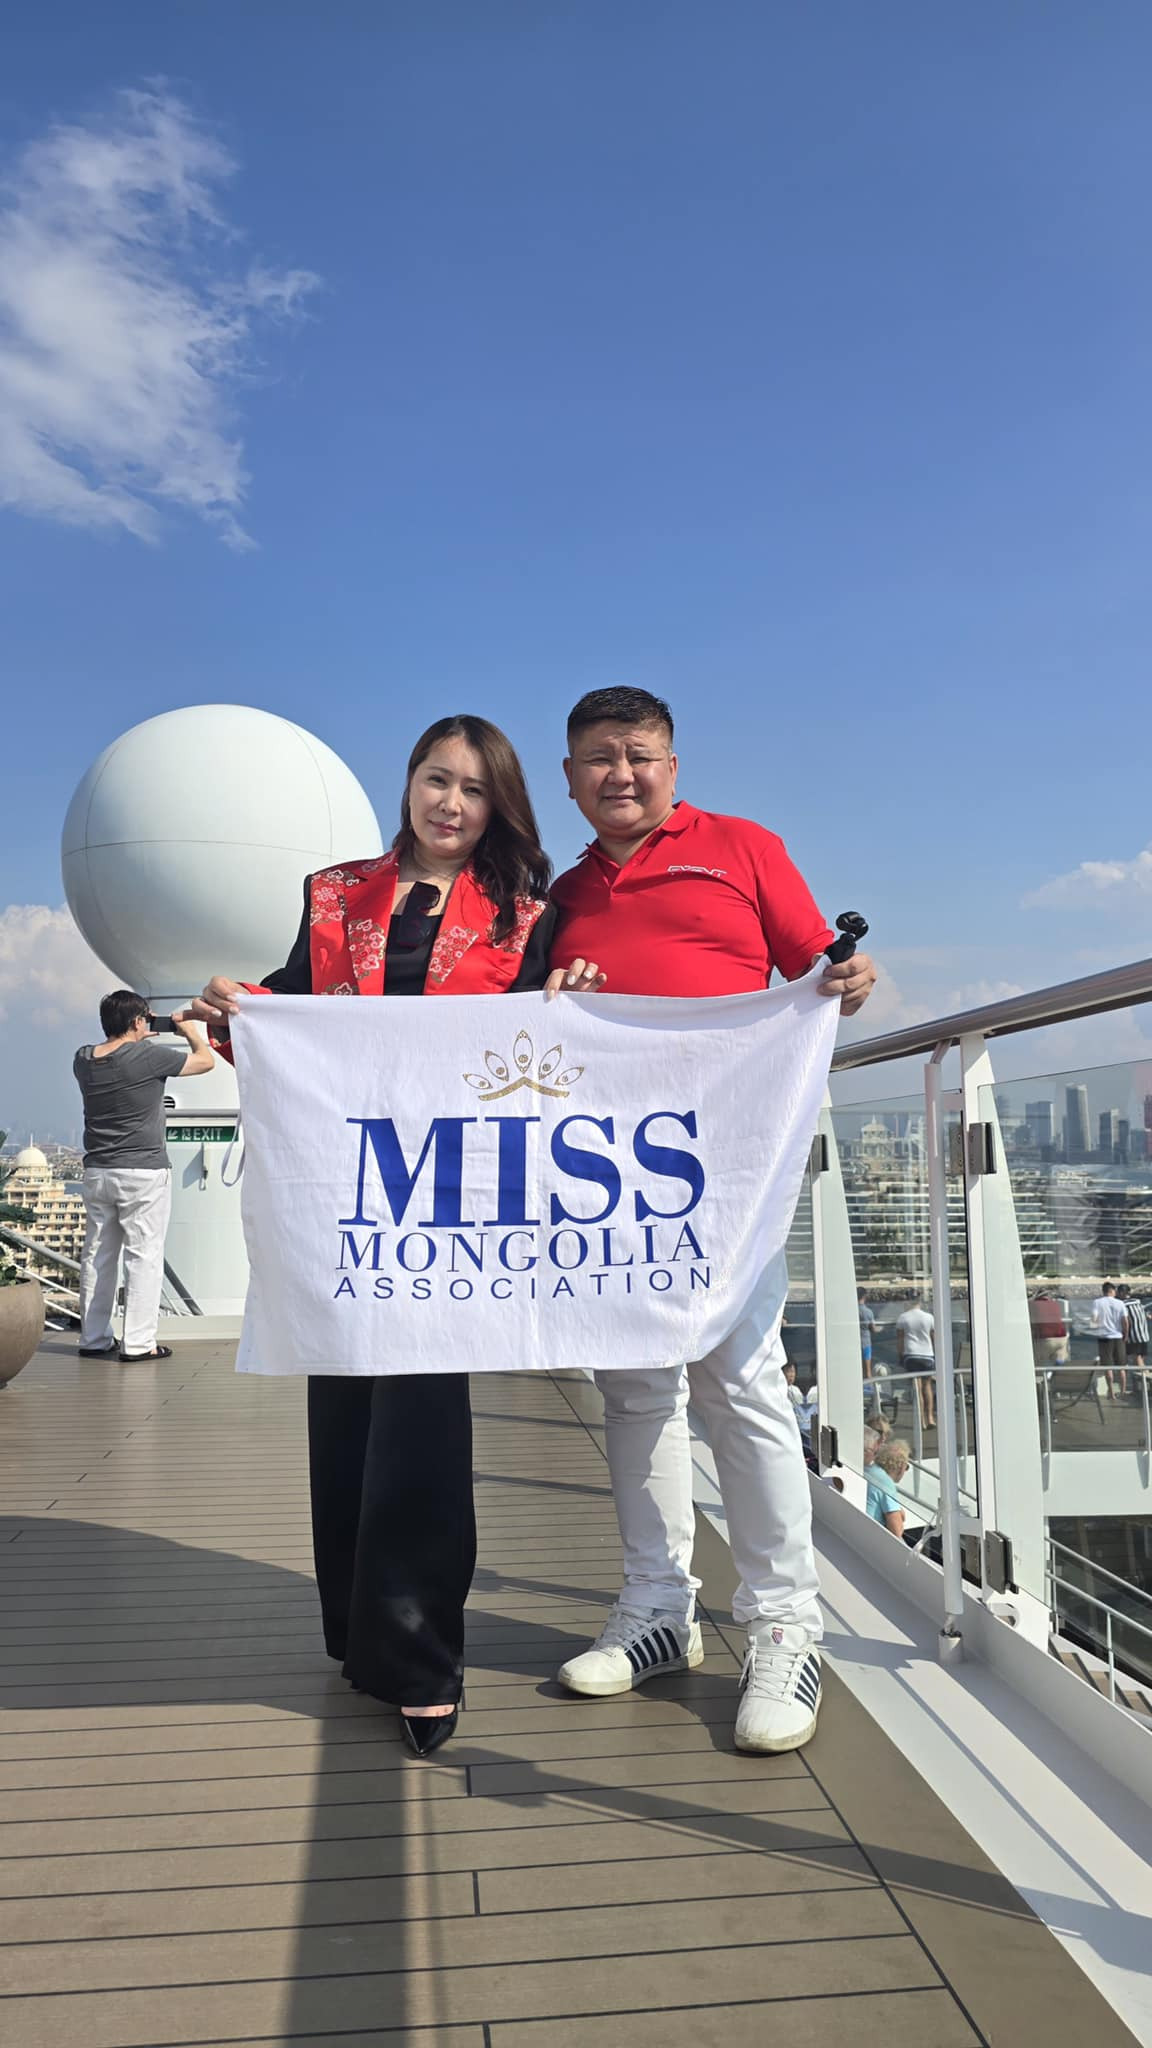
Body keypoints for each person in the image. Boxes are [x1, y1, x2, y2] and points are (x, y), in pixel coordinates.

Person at [191, 716, 603, 1758]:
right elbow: (294, 1006)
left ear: (499, 805)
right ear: (409, 782)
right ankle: (359, 1640)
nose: (450, 803)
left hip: (445, 1198)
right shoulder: (335, 895)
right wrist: (239, 1008)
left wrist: (566, 997)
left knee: (422, 1418)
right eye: (435, 779)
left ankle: (423, 1660)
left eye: (473, 788)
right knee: (344, 1413)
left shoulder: (525, 914)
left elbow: (534, 1039)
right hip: (345, 1185)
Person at [543, 685, 877, 1754]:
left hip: (728, 1166)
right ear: (570, 779)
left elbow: (817, 968)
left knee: (741, 1380)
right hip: (607, 1175)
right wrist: (556, 988)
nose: (621, 774)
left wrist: (848, 976)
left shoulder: (744, 847)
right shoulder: (560, 893)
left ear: (673, 766)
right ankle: (657, 1609)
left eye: (638, 754)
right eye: (599, 758)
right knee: (634, 1385)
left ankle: (786, 1625)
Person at [73, 992, 214, 1363]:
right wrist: (188, 1031)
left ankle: (93, 1338)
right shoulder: (148, 1056)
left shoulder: (83, 1059)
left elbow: (116, 1055)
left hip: (98, 1170)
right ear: (139, 1021)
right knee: (143, 1256)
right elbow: (205, 1061)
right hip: (142, 1171)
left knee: (98, 1255)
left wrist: (135, 1036)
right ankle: (138, 1343)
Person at [895, 1295, 937, 1428]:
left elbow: (900, 1340)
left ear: (908, 1302)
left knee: (917, 1389)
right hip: (927, 1355)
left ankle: (921, 1421)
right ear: (920, 1302)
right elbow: (934, 1338)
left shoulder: (903, 1317)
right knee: (927, 1386)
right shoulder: (929, 1317)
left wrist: (900, 1356)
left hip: (911, 1355)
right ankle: (930, 1418)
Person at [864, 1439, 910, 1537]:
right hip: (870, 1536)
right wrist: (900, 1515)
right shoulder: (886, 1483)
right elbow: (896, 1531)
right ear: (901, 1467)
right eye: (907, 1467)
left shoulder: (868, 1470)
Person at [1091, 1281, 1128, 1400]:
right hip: (1118, 1337)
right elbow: (1125, 1321)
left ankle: (1111, 1393)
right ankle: (1123, 1392)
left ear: (1103, 1291)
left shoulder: (1097, 1302)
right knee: (1121, 1366)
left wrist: (1095, 1329)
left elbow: (1094, 1320)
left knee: (1108, 1367)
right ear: (1112, 1291)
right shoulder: (1120, 1303)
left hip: (1104, 1338)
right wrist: (1126, 1334)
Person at [1117, 1284, 1147, 1397]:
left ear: (1121, 1293)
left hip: (1133, 1337)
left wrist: (1124, 1335)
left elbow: (1125, 1321)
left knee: (1135, 1360)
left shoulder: (1123, 1305)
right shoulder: (1138, 1303)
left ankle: (1144, 1385)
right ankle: (1137, 1389)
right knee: (1139, 1361)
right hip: (1144, 1336)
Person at [1029, 1288, 1069, 1372]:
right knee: (1060, 1359)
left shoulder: (1033, 1305)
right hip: (1062, 1339)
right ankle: (1057, 1374)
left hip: (1047, 1339)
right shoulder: (1054, 1304)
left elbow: (1032, 1323)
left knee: (1035, 1360)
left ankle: (1040, 1377)